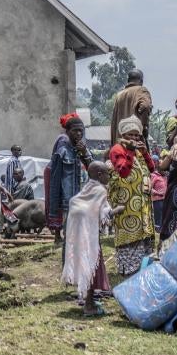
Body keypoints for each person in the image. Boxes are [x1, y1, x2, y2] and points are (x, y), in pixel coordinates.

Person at [62, 162, 115, 317]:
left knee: (86, 265)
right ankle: (89, 305)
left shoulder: (87, 187)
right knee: (92, 266)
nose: (109, 177)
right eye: (107, 174)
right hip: (89, 236)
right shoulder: (100, 190)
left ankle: (87, 300)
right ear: (100, 175)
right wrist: (116, 210)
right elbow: (104, 214)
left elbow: (76, 202)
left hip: (78, 234)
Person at [107, 116, 156, 275]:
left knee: (144, 236)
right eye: (131, 135)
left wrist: (144, 152)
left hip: (142, 203)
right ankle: (128, 270)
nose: (134, 138)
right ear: (123, 134)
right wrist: (129, 151)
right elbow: (123, 171)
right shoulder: (117, 150)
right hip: (126, 203)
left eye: (137, 135)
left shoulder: (138, 151)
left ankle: (143, 269)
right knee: (130, 235)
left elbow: (151, 168)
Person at [48, 113, 92, 252]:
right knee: (70, 236)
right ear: (67, 132)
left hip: (83, 197)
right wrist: (55, 205)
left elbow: (93, 168)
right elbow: (55, 180)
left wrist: (85, 152)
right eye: (75, 131)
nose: (78, 134)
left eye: (81, 131)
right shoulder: (62, 151)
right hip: (68, 201)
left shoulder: (83, 148)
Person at [110, 69, 153, 146]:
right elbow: (145, 107)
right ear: (141, 81)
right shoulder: (141, 90)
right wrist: (144, 127)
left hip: (120, 143)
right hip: (135, 143)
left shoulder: (119, 95)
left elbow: (113, 122)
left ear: (128, 80)